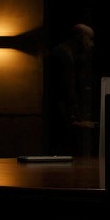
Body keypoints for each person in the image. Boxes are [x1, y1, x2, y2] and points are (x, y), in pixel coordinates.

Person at [45, 22, 97, 155]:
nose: (91, 44)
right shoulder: (64, 55)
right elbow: (64, 90)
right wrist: (72, 119)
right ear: (80, 37)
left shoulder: (68, 54)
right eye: (89, 39)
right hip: (61, 120)